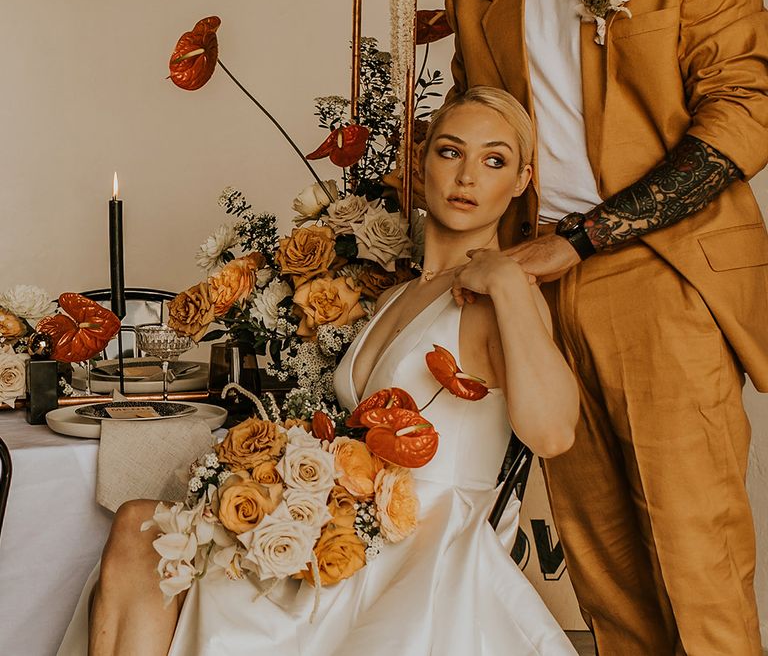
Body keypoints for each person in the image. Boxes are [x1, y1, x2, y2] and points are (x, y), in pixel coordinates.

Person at [59, 86, 581, 656]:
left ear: (522, 180)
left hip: (416, 551)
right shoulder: (400, 293)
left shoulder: (502, 296)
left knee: (144, 541)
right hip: (345, 524)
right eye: (451, 152)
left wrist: (505, 277)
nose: (468, 177)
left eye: (495, 160)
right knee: (140, 530)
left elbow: (553, 434)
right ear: (421, 158)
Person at [443, 0, 768, 654]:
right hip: (531, 278)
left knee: (695, 555)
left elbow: (746, 105)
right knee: (602, 567)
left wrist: (587, 237)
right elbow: (477, 111)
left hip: (661, 266)